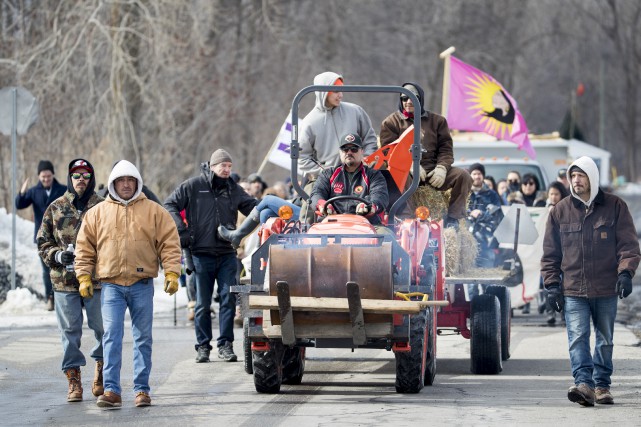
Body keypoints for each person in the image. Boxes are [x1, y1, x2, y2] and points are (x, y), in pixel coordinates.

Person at [75, 160, 181, 408]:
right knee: (111, 336)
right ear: (113, 183)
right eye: (121, 181)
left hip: (141, 284)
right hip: (110, 286)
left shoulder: (154, 211)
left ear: (137, 182)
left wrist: (172, 273)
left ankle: (142, 390)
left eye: (130, 180)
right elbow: (84, 248)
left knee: (142, 338)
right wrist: (83, 276)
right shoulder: (97, 213)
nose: (125, 184)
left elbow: (170, 243)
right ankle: (111, 390)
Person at [541, 156, 640, 407]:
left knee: (605, 339)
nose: (576, 181)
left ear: (592, 178)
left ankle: (602, 386)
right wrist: (552, 285)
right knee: (578, 337)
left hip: (606, 288)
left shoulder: (615, 206)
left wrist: (626, 273)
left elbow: (628, 245)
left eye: (581, 176)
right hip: (573, 289)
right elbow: (551, 253)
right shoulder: (560, 211)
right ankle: (584, 384)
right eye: (572, 176)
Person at [164, 149, 257, 364]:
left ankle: (225, 345)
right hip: (200, 253)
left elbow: (253, 207)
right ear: (212, 166)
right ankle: (203, 347)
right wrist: (182, 230)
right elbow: (169, 205)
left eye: (229, 166)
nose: (226, 170)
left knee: (227, 301)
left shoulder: (233, 188)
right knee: (203, 305)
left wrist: (268, 210)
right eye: (223, 166)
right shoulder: (193, 186)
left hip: (226, 253)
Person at [36, 158, 104, 402]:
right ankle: (73, 378)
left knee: (104, 328)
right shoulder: (56, 207)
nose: (81, 180)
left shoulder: (103, 206)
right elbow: (43, 241)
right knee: (69, 331)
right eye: (76, 175)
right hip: (64, 281)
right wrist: (57, 254)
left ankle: (101, 369)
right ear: (69, 178)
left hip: (98, 281)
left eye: (86, 175)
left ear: (91, 178)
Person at [379, 82, 472, 228]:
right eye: (404, 98)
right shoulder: (390, 122)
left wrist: (442, 168)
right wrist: (409, 165)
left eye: (413, 98)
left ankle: (453, 220)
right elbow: (388, 152)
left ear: (420, 99)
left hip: (433, 170)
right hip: (407, 171)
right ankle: (406, 221)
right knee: (394, 176)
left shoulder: (437, 121)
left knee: (463, 176)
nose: (408, 102)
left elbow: (446, 149)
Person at [298, 71, 378, 181]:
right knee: (312, 197)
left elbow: (370, 139)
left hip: (359, 176)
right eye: (336, 91)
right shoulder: (309, 122)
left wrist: (365, 161)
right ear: (323, 92)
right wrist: (324, 173)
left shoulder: (355, 111)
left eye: (342, 90)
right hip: (325, 181)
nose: (341, 95)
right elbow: (302, 157)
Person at [310, 133, 388, 231]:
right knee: (307, 237)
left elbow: (380, 196)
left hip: (367, 226)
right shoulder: (328, 174)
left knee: (386, 235)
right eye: (345, 149)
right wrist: (322, 205)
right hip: (329, 226)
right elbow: (317, 193)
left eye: (354, 149)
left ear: (362, 151)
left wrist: (370, 206)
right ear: (340, 152)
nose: (349, 152)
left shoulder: (374, 175)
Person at [15, 160, 66, 310]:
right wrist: (22, 191)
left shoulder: (62, 189)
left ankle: (62, 297)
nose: (46, 179)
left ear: (52, 175)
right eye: (43, 176)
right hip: (42, 237)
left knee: (61, 267)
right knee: (46, 270)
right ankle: (50, 297)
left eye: (48, 176)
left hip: (59, 236)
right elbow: (19, 204)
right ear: (39, 176)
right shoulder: (33, 191)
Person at [466, 163, 504, 267]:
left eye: (479, 173)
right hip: (467, 241)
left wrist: (483, 214)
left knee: (487, 275)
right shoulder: (464, 192)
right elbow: (458, 210)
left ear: (483, 175)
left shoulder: (491, 194)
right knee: (469, 278)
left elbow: (498, 214)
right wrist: (470, 213)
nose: (477, 176)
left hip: (487, 241)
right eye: (474, 173)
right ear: (470, 175)